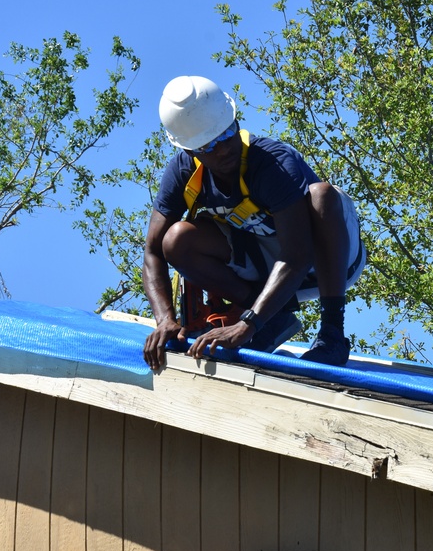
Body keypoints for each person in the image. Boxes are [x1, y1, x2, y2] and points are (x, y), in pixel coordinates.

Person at [142, 76, 365, 370]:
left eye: (228, 132)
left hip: (328, 261)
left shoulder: (272, 163)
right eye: (212, 145)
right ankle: (274, 318)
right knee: (176, 240)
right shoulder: (183, 174)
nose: (225, 147)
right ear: (191, 151)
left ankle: (332, 335)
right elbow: (153, 253)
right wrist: (165, 319)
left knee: (321, 195)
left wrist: (248, 323)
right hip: (269, 266)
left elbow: (296, 255)